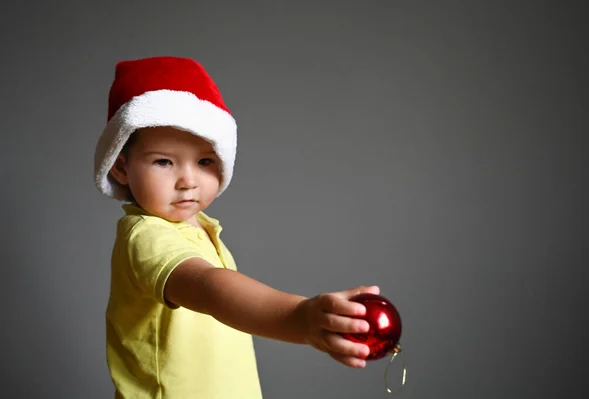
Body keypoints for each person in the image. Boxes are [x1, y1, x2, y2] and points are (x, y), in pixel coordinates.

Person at [93, 56, 379, 398]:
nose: (187, 181)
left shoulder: (199, 227)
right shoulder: (146, 236)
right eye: (164, 161)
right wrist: (300, 318)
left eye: (204, 161)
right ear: (121, 169)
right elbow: (210, 288)